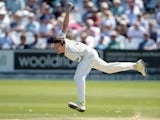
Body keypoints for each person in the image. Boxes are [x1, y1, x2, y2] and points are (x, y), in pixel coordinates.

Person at [52, 3, 147, 112]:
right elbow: (65, 25)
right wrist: (68, 10)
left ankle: (81, 103)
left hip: (88, 55)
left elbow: (82, 62)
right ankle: (135, 65)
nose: (56, 49)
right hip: (90, 54)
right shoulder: (62, 39)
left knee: (78, 77)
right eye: (55, 47)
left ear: (63, 45)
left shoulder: (70, 51)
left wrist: (86, 67)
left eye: (57, 47)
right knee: (108, 69)